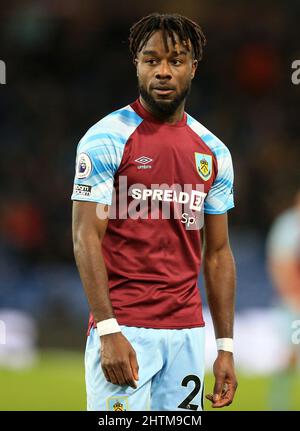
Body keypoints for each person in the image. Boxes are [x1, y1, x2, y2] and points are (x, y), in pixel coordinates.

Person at [72, 12, 237, 411]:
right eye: (151, 60)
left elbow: (217, 253)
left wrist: (225, 346)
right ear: (137, 65)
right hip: (124, 329)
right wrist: (108, 329)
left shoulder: (213, 152)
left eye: (176, 61)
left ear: (193, 67)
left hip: (186, 333)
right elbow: (85, 236)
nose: (163, 72)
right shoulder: (106, 138)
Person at [266, 190, 300, 410]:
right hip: (293, 301)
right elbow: (281, 265)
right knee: (291, 352)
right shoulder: (290, 226)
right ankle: (278, 402)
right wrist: (293, 296)